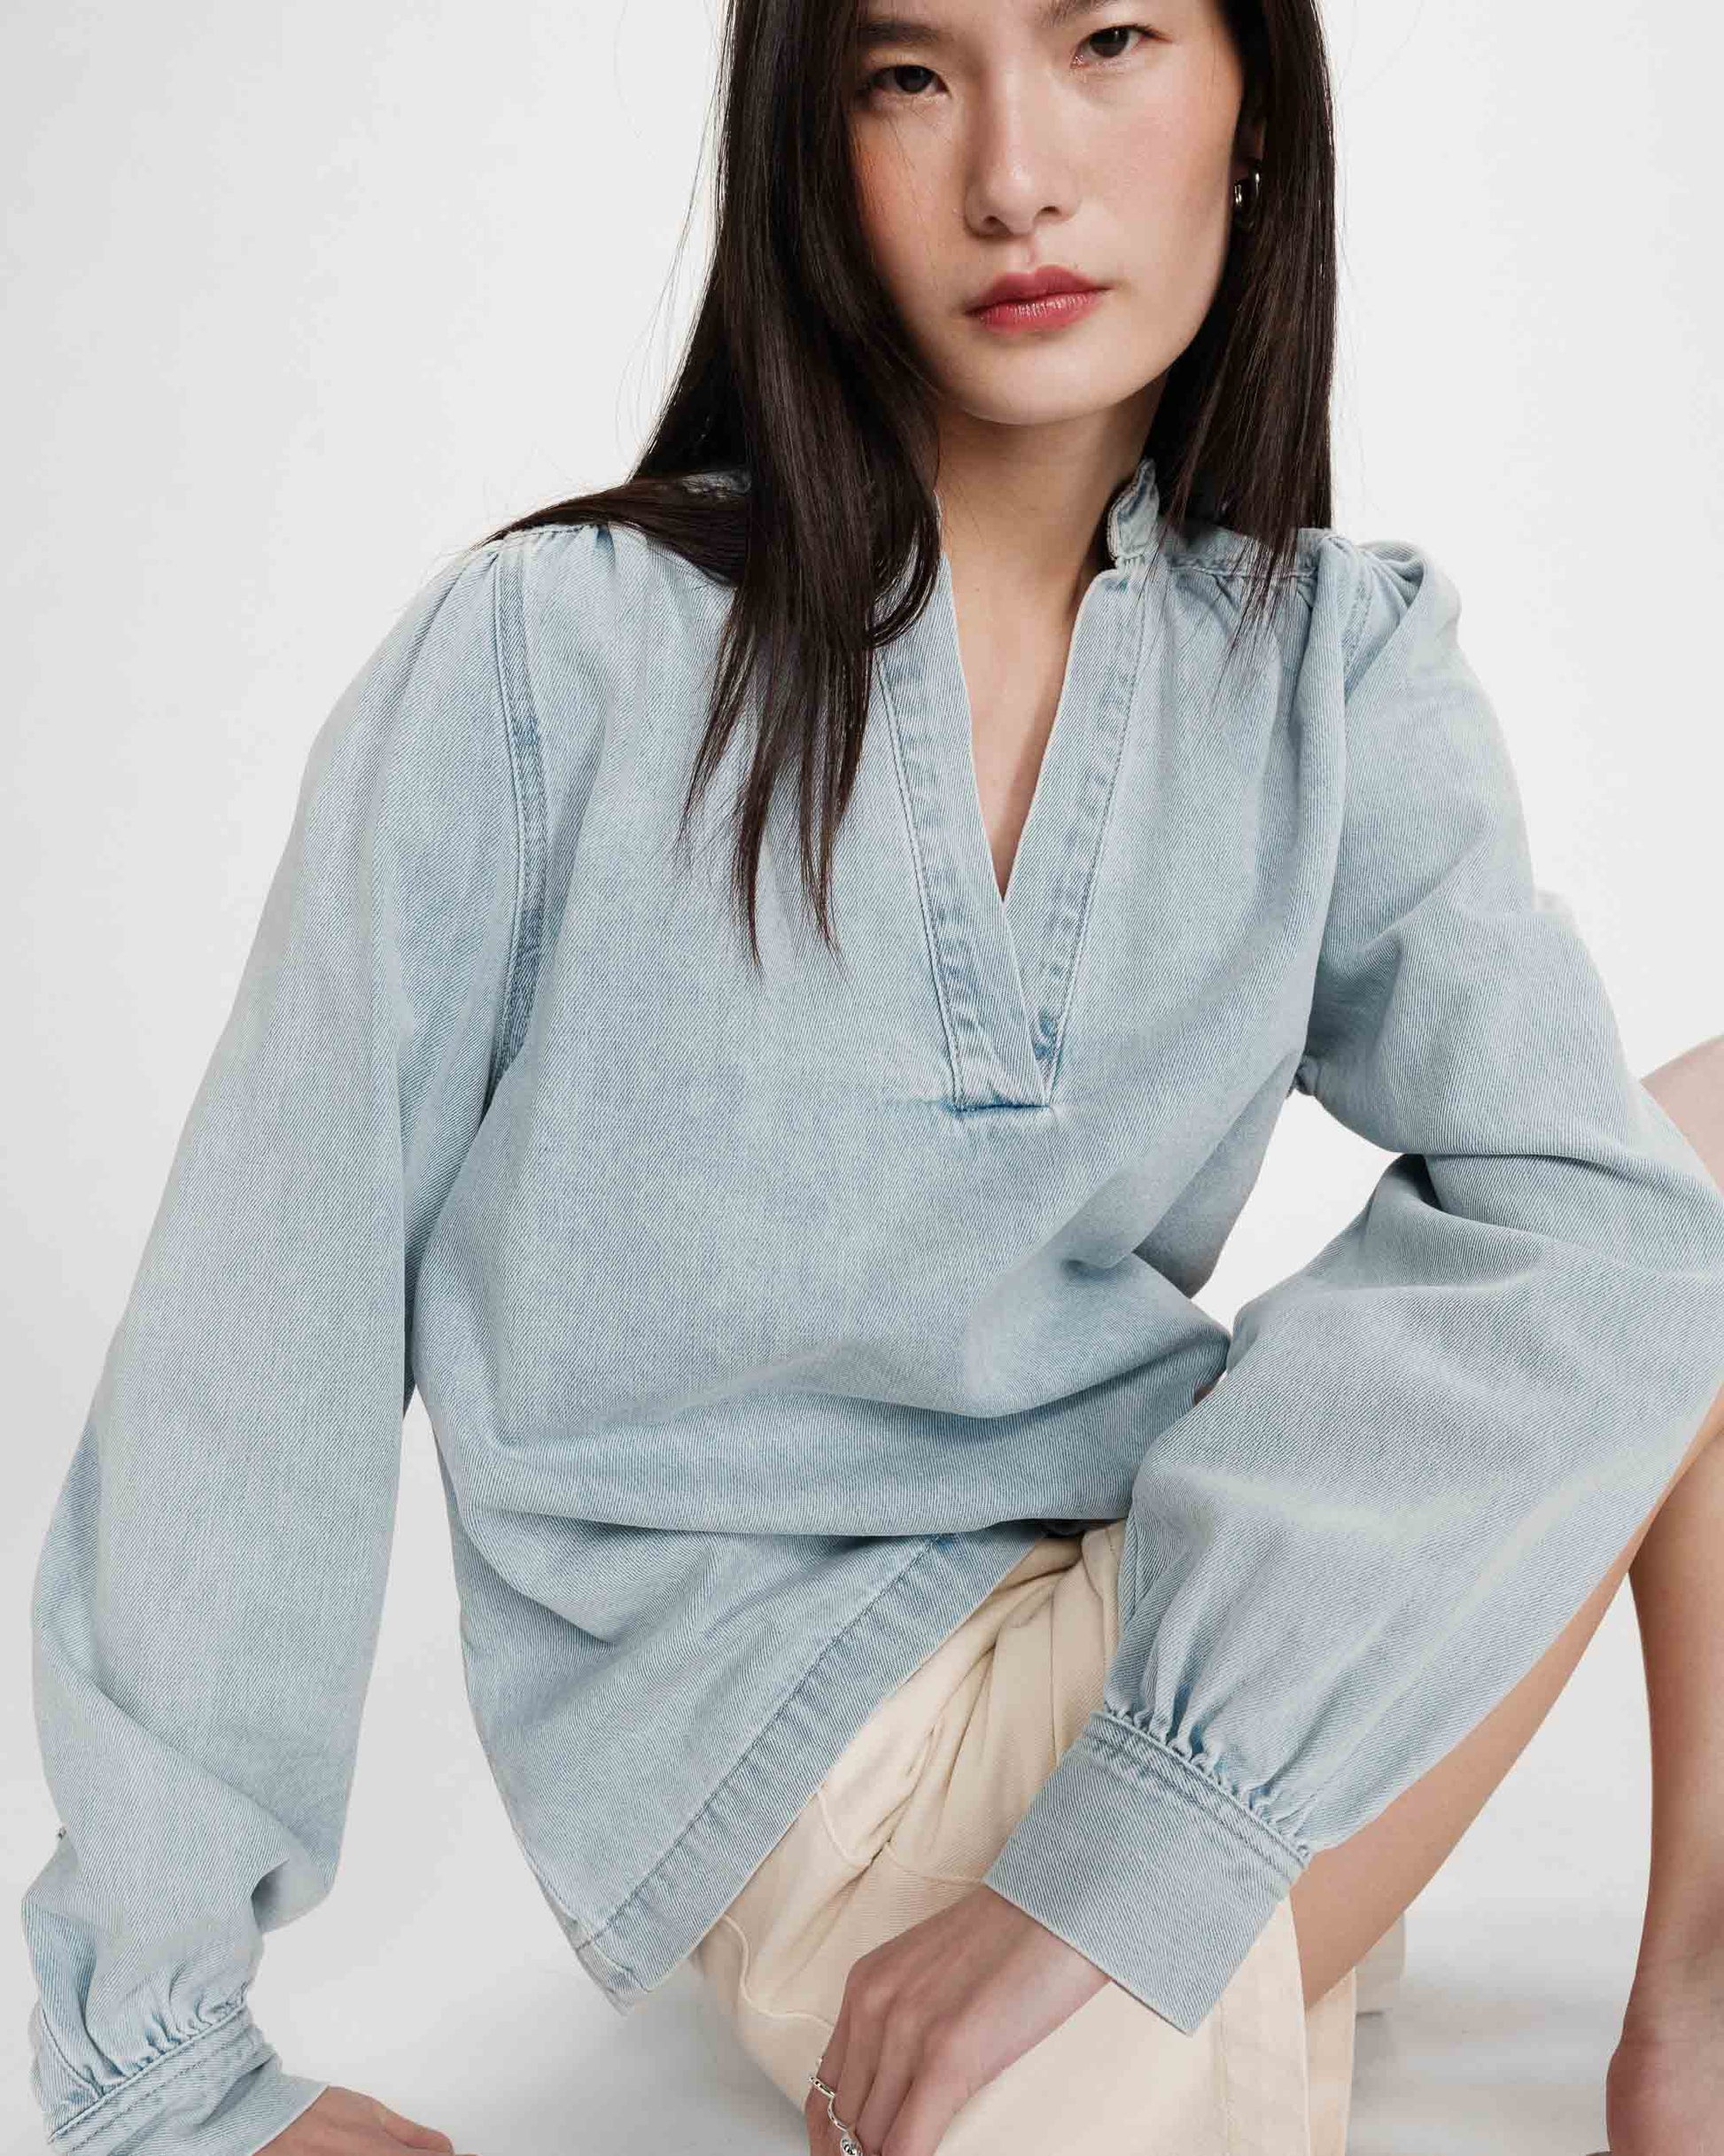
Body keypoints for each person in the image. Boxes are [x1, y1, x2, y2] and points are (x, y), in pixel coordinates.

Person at [20, 0, 1724, 2151]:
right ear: (809, 155)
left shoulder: (1324, 663)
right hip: (831, 1812)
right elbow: (261, 1318)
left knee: (1653, 1186)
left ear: (1251, 111)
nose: (1013, 176)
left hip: (1188, 1701)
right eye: (907, 78)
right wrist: (161, 2065)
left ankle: (1695, 1989)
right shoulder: (557, 660)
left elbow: (1597, 1225)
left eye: (1106, 38)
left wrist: (1127, 1850)